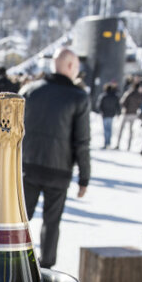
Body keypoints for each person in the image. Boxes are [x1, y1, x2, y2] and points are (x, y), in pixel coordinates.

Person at [20, 48, 91, 268]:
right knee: (52, 222)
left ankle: (14, 259)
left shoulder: (30, 90)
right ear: (70, 66)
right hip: (59, 170)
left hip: (27, 165)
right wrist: (84, 177)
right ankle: (46, 266)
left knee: (20, 218)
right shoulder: (79, 97)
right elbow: (82, 141)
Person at [116, 79, 142, 150]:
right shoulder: (139, 95)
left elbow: (122, 102)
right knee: (131, 130)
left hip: (127, 113)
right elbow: (141, 104)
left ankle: (118, 144)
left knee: (121, 129)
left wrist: (125, 107)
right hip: (134, 114)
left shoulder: (129, 93)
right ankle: (129, 146)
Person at [96, 82, 121, 148]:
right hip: (111, 114)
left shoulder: (103, 96)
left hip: (105, 114)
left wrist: (101, 111)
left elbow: (99, 105)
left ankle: (106, 143)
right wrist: (118, 113)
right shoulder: (115, 96)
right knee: (109, 129)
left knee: (105, 129)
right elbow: (118, 105)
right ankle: (108, 143)